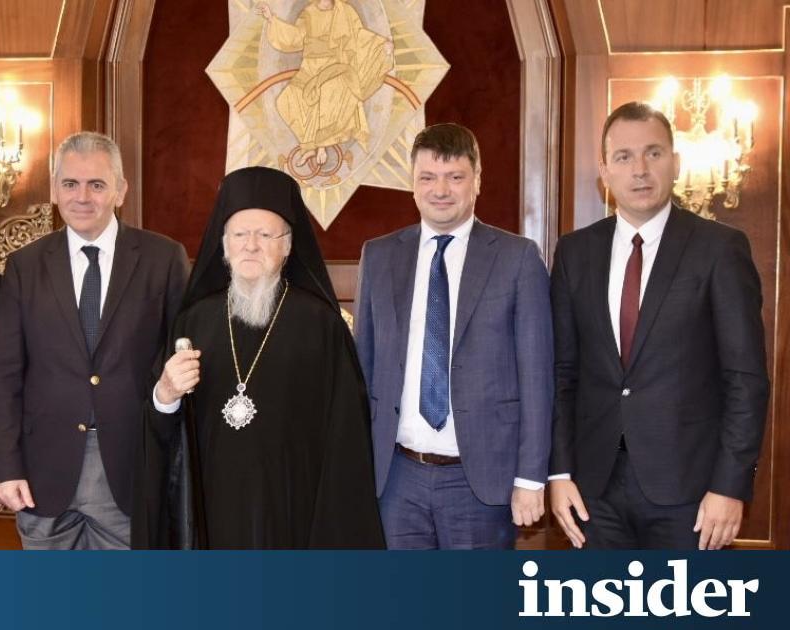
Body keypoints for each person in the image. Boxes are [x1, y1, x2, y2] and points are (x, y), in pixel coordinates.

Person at [548, 102, 769, 550]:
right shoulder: (574, 253)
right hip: (594, 492)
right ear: (605, 171)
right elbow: (562, 374)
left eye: (653, 153)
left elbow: (745, 379)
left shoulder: (719, 249)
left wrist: (729, 485)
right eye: (624, 156)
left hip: (692, 495)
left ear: (676, 162)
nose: (640, 170)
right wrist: (559, 472)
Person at [135, 165, 384, 549]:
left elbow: (346, 438)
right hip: (211, 512)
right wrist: (165, 394)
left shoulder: (322, 326)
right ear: (224, 244)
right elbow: (164, 432)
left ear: (287, 246)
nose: (251, 245)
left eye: (266, 234)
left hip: (295, 512)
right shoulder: (193, 321)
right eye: (240, 234)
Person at [0, 131, 189, 550]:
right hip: (43, 474)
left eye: (96, 184)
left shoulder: (164, 259)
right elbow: (4, 376)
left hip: (131, 471)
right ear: (54, 190)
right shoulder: (24, 266)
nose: (82, 197)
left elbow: (180, 362)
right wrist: (4, 468)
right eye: (70, 184)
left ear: (120, 190)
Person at [354, 123, 553, 549]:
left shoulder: (517, 258)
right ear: (412, 184)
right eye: (427, 177)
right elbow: (363, 371)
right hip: (396, 479)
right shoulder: (379, 255)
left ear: (477, 180)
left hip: (480, 480)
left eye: (455, 176)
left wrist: (531, 478)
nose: (440, 190)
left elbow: (538, 378)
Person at [255, 0, 394, 164]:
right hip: (309, 68)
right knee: (285, 101)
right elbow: (295, 37)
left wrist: (382, 45)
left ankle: (322, 145)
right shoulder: (309, 12)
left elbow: (359, 36)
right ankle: (309, 146)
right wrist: (272, 19)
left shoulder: (346, 11)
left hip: (336, 68)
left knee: (325, 96)